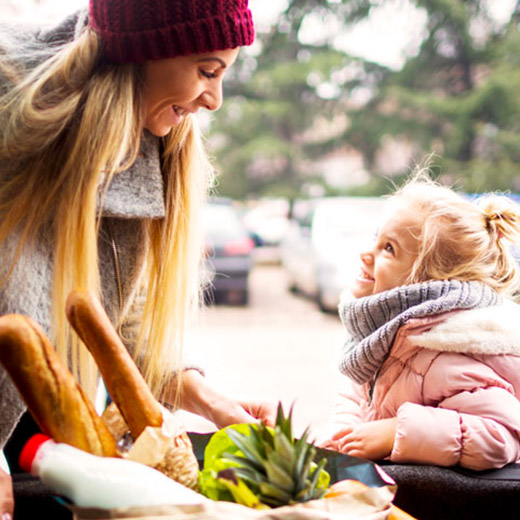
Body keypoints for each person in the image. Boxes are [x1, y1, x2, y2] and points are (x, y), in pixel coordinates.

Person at [0, 1, 276, 516]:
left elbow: (122, 324)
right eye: (207, 70)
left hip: (43, 428)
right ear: (145, 50)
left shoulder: (148, 142)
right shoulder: (10, 110)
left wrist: (210, 401)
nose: (214, 99)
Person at [320, 171, 520, 471]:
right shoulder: (384, 333)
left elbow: (500, 435)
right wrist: (342, 439)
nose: (366, 253)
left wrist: (395, 432)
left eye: (389, 248)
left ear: (425, 282)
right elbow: (356, 392)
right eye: (377, 238)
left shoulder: (442, 355)